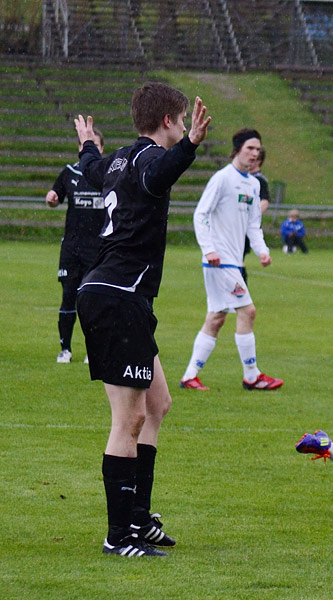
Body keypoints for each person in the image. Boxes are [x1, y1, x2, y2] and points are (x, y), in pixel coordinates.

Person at [74, 82, 211, 557]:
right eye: (180, 121)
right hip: (117, 298)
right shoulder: (151, 160)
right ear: (169, 121)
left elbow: (92, 168)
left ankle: (138, 518)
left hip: (114, 295)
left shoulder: (115, 161)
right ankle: (119, 536)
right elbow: (160, 176)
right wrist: (191, 145)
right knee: (128, 418)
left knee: (158, 405)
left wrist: (89, 144)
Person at [180, 128, 283, 392]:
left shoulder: (254, 184)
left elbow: (253, 225)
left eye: (258, 150)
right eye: (250, 148)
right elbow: (200, 214)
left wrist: (262, 250)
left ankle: (190, 376)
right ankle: (252, 376)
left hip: (232, 261)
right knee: (248, 312)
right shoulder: (222, 179)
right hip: (219, 261)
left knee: (216, 317)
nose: (254, 153)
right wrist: (208, 249)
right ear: (237, 149)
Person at [46, 129, 105, 363]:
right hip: (72, 248)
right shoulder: (69, 172)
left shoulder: (108, 174)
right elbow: (55, 197)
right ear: (80, 148)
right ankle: (65, 349)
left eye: (95, 145)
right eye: (85, 145)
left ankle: (93, 350)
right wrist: (51, 198)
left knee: (93, 300)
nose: (90, 149)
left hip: (98, 249)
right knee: (68, 296)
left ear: (101, 149)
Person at [241, 147, 270, 283]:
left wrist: (250, 216)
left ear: (258, 161)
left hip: (246, 227)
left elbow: (264, 202)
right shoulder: (244, 177)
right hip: (237, 225)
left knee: (238, 259)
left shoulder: (259, 180)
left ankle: (240, 292)